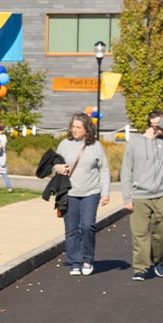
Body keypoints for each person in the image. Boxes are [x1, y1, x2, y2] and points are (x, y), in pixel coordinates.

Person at [118, 112, 163, 281]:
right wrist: (127, 198)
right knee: (139, 234)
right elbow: (126, 170)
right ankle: (140, 268)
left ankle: (158, 260)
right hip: (140, 196)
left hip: (161, 195)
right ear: (153, 124)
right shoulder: (135, 143)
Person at [53, 113, 111, 277]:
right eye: (73, 126)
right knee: (71, 229)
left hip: (91, 192)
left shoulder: (96, 146)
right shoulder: (64, 144)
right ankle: (74, 262)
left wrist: (105, 193)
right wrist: (58, 168)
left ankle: (87, 260)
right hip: (69, 193)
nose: (75, 130)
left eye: (79, 127)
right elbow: (54, 164)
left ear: (87, 129)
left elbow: (104, 170)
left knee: (87, 226)